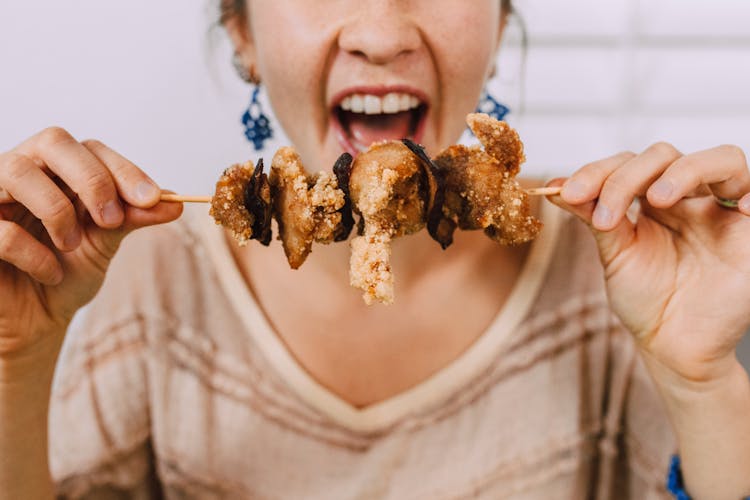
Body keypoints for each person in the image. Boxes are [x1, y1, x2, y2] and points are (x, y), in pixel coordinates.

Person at [1, 0, 749, 498]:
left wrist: (702, 380)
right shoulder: (137, 285)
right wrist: (14, 364)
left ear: (498, 20)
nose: (382, 32)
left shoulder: (622, 271)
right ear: (242, 32)